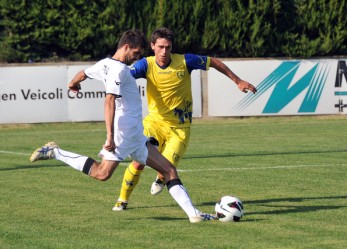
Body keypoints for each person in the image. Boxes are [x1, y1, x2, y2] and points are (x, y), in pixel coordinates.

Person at [29, 29, 215, 223]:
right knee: (102, 174)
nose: (137, 58)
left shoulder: (105, 64)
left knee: (169, 170)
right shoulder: (119, 70)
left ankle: (194, 215)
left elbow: (83, 74)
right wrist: (110, 136)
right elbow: (109, 101)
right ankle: (55, 152)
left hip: (135, 135)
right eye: (135, 53)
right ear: (126, 47)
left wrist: (73, 83)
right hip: (123, 135)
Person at [113, 27, 257, 211]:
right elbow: (123, 76)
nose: (164, 51)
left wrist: (237, 81)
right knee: (139, 160)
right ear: (152, 46)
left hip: (179, 129)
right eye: (161, 47)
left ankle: (161, 176)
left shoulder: (185, 61)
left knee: (168, 168)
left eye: (168, 47)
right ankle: (122, 200)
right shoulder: (145, 65)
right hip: (154, 123)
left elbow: (213, 62)